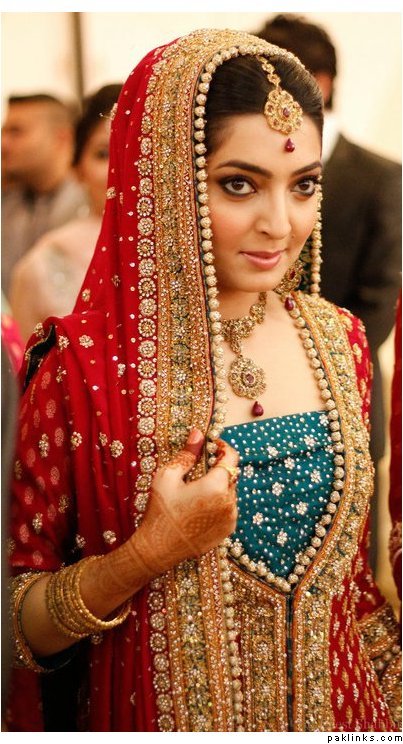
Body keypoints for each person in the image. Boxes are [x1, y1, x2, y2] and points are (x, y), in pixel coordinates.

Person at [7, 29, 401, 733]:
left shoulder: (339, 340)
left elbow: (354, 595)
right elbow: (18, 627)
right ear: (166, 179)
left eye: (303, 185)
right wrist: (146, 555)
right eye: (238, 184)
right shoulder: (80, 367)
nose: (279, 223)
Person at [255, 14, 402, 569]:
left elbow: (382, 294)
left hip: (345, 390)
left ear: (320, 81)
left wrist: (319, 357)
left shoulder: (380, 175)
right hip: (252, 390)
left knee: (350, 569)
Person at [9, 84, 122, 344]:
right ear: (77, 169)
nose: (121, 165)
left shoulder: (197, 246)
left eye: (135, 149)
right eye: (103, 154)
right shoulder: (41, 266)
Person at [1, 94, 86, 298]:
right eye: (3, 132)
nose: (4, 144)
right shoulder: (10, 201)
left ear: (61, 138)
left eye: (16, 132)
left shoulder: (89, 202)